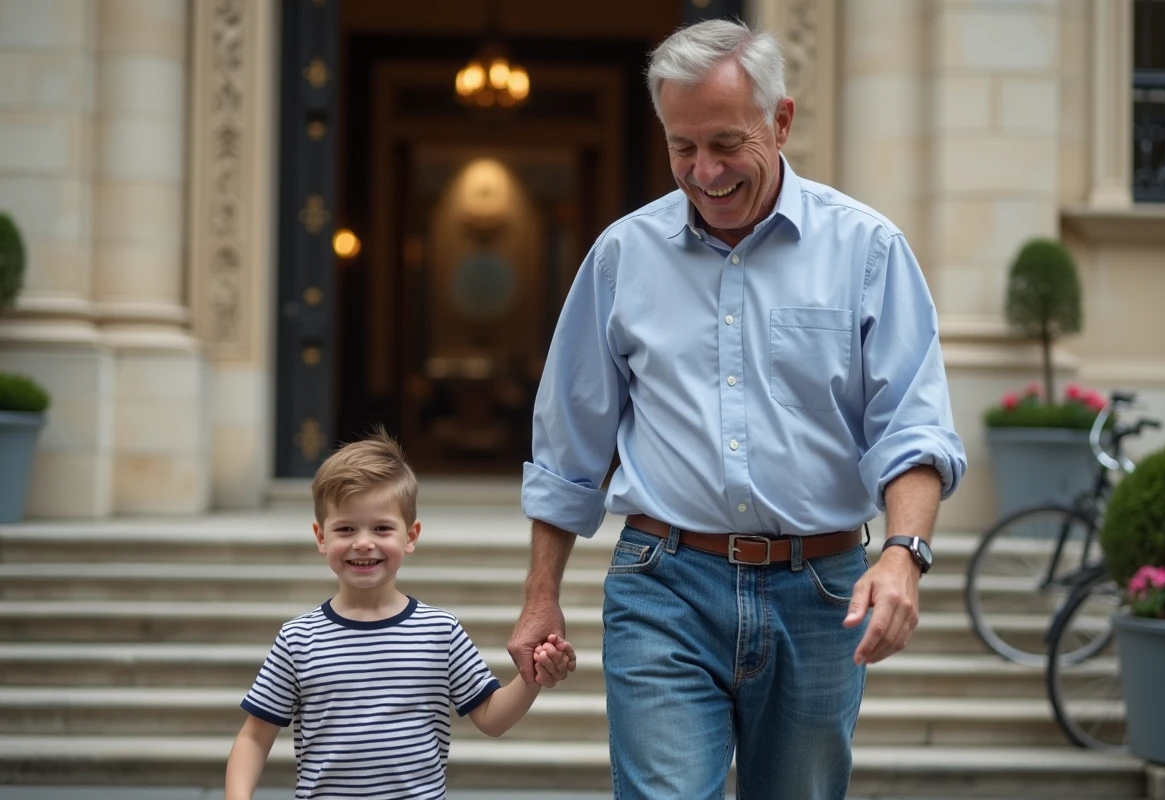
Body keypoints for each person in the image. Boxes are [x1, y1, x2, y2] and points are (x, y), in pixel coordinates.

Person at [508, 18, 967, 800]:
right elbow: (568, 445)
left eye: (726, 143)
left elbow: (914, 427)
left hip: (822, 591)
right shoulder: (622, 257)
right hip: (665, 584)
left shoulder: (868, 251)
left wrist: (903, 554)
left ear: (781, 121)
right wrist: (540, 596)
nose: (705, 171)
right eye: (682, 147)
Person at [226, 429, 575, 800]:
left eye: (381, 528)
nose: (363, 541)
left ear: (410, 536)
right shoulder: (298, 639)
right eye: (345, 528)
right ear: (321, 536)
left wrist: (533, 676)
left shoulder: (440, 632)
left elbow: (491, 717)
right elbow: (254, 736)